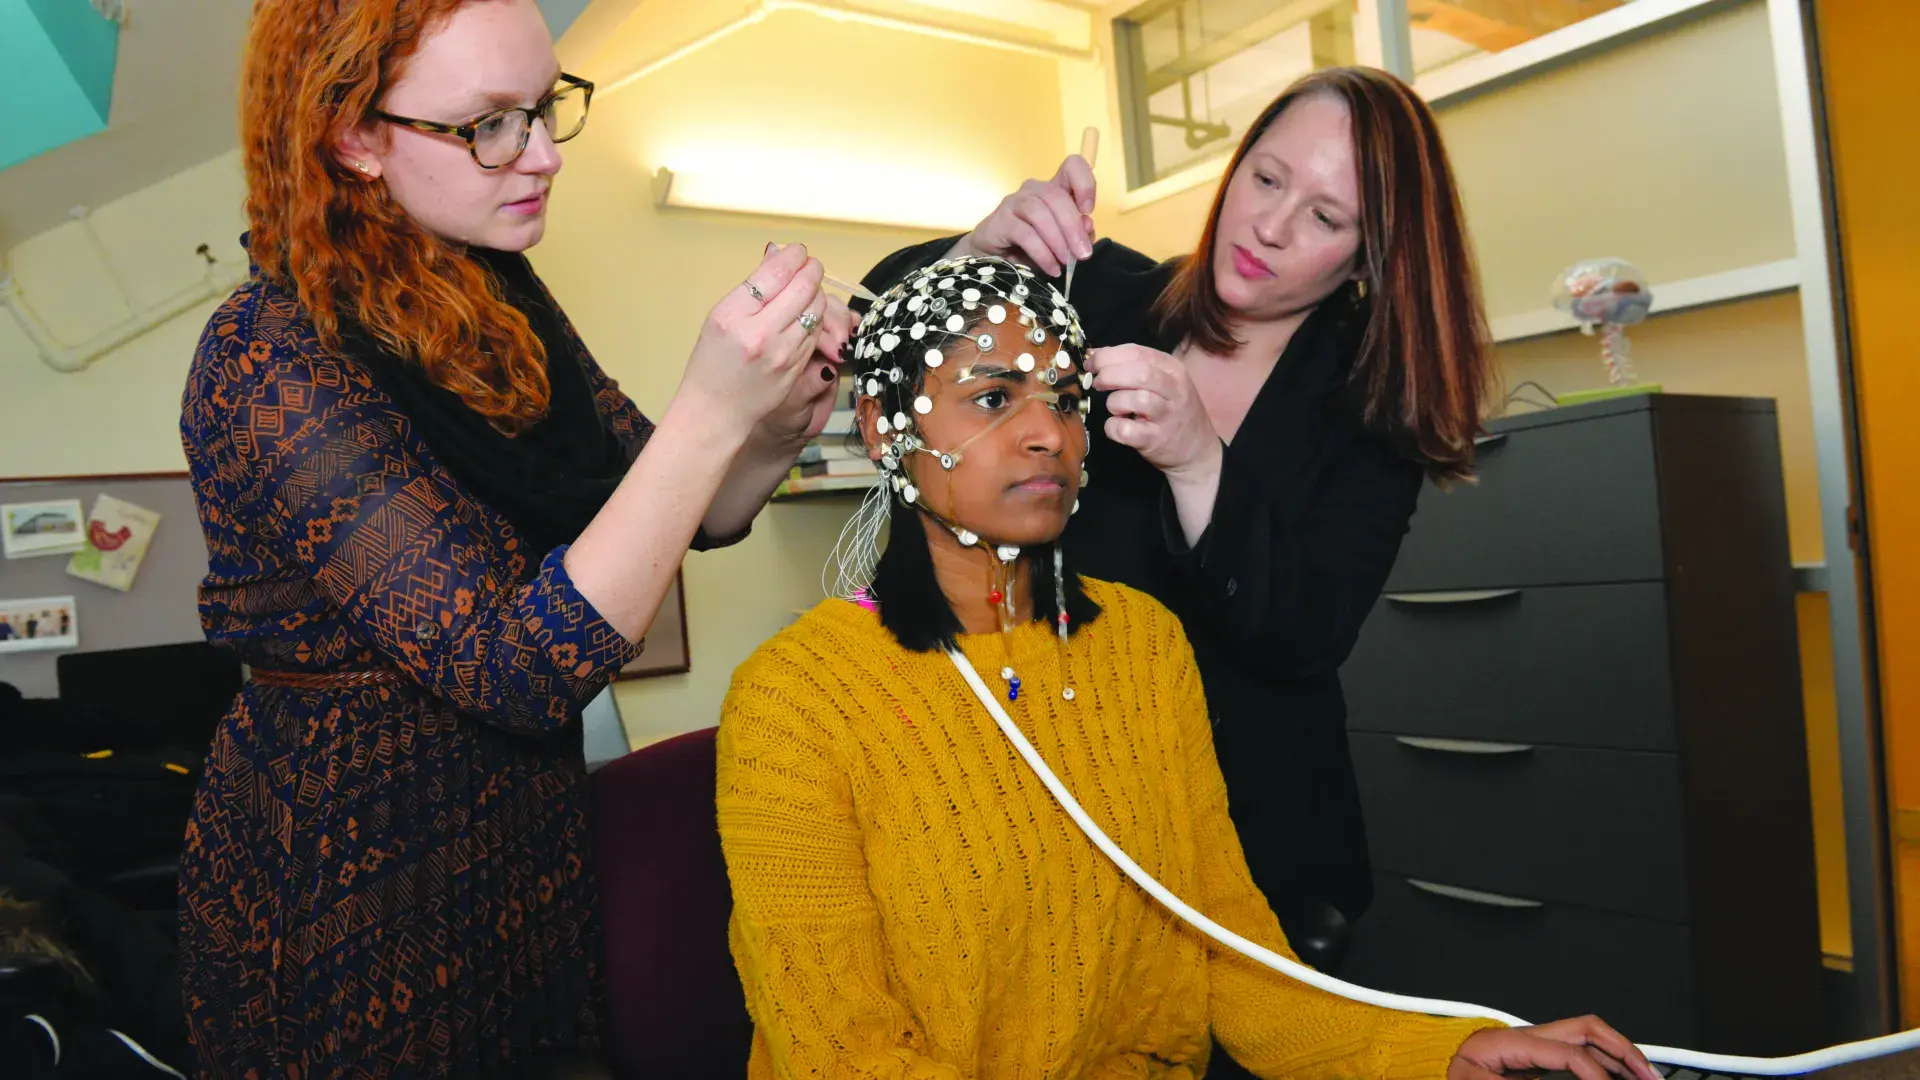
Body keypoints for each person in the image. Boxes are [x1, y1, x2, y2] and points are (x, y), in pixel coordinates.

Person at [717, 255, 1654, 1080]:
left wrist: (1434, 1050)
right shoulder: (797, 701)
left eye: (1068, 399)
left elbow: (1230, 953)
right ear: (883, 430)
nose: (1051, 433)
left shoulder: (1144, 646)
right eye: (997, 398)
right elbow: (842, 1055)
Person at [176, 0, 851, 1075]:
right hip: (353, 876)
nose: (541, 154)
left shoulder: (495, 292)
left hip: (524, 843)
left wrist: (772, 421)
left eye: (544, 108)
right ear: (354, 136)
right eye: (490, 122)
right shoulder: (267, 356)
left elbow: (688, 510)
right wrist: (710, 413)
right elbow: (522, 667)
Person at [860, 67, 1491, 971]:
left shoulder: (1370, 407)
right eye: (1267, 180)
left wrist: (1199, 460)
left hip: (1244, 847)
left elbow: (1305, 635)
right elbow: (879, 325)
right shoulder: (1098, 291)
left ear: (1369, 257)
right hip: (1041, 805)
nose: (1270, 227)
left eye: (1325, 217)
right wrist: (983, 249)